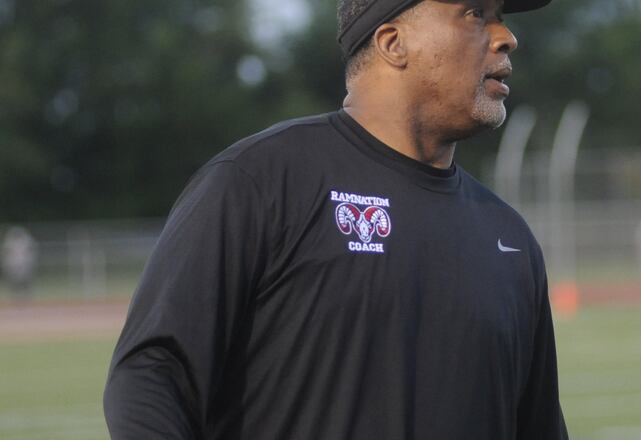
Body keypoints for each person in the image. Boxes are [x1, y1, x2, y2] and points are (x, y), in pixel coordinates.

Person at [104, 0, 568, 438]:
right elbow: (152, 371)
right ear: (392, 42)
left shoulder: (510, 239)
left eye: (499, 16)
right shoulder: (262, 181)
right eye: (474, 13)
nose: (506, 36)